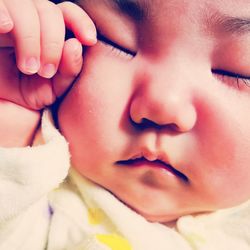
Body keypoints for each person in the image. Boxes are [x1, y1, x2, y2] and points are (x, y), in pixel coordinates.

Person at [1, 0, 250, 249]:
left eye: (236, 72)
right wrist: (12, 117)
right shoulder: (34, 189)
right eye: (120, 44)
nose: (163, 107)